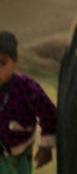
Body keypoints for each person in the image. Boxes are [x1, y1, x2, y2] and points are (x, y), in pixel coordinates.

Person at [0, 31, 56, 174]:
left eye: (2, 63)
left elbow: (48, 113)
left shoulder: (26, 88)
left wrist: (45, 147)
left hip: (19, 154)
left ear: (15, 61)